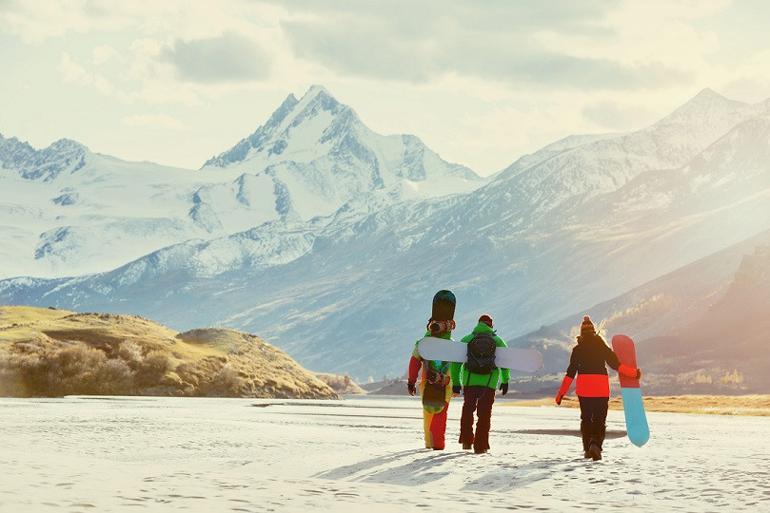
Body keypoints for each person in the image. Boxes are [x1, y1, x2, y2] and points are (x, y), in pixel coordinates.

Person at [555, 316, 641, 460]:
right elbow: (616, 365)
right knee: (600, 420)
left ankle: (588, 448)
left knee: (586, 419)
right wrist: (633, 374)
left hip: (584, 390)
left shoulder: (577, 349)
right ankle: (595, 444)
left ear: (581, 333)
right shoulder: (601, 346)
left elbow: (570, 373)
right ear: (594, 331)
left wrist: (560, 394)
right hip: (600, 388)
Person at [450, 314, 510, 454]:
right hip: (489, 383)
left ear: (478, 324)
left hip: (470, 382)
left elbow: (456, 364)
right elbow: (506, 363)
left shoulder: (467, 339)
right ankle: (481, 445)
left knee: (467, 410)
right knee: (484, 414)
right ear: (491, 325)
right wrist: (505, 380)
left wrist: (457, 383)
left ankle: (466, 440)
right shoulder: (498, 341)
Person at [407, 319, 455, 450]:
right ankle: (438, 445)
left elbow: (414, 362)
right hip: (446, 384)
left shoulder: (422, 344)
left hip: (426, 383)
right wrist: (457, 384)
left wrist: (411, 381)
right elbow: (458, 366)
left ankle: (429, 443)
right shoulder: (452, 344)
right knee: (440, 413)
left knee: (428, 412)